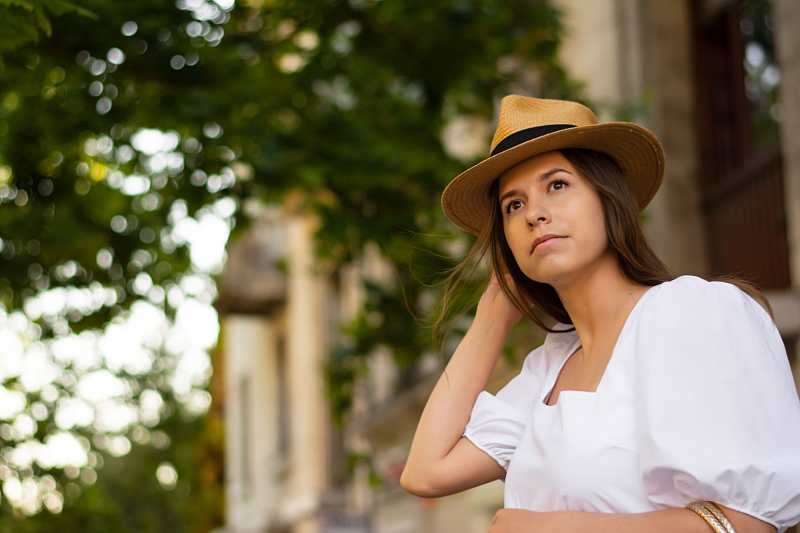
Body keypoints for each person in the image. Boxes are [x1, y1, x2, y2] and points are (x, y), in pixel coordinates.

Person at [400, 94, 800, 533]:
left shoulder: (692, 312)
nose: (534, 214)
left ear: (608, 199)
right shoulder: (546, 371)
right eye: (513, 205)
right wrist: (491, 318)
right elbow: (425, 471)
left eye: (557, 185)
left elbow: (753, 520)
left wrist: (553, 528)